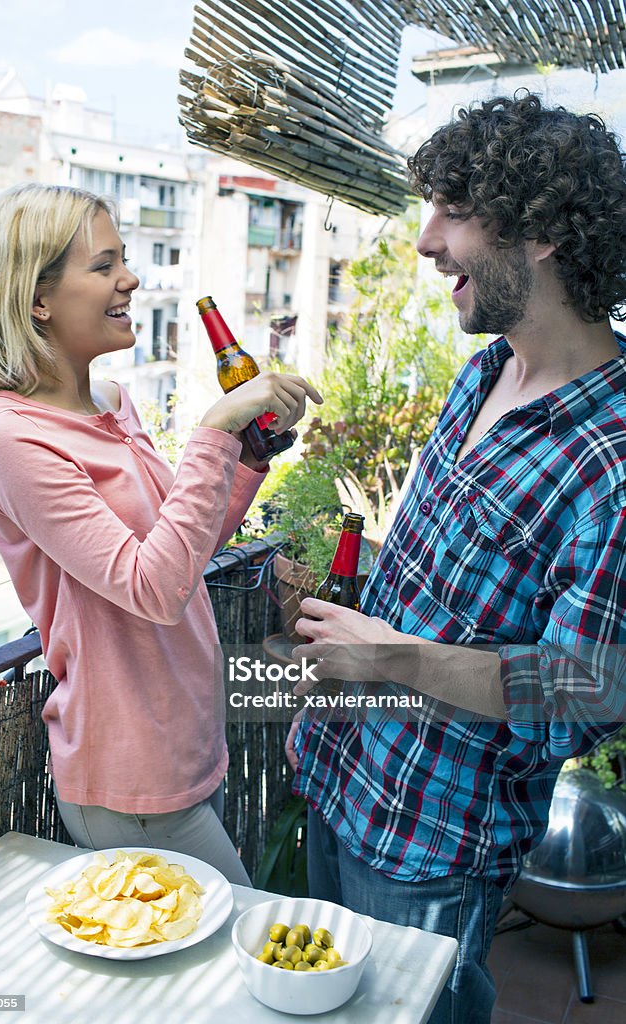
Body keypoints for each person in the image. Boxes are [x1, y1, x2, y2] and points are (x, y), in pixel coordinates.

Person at [287, 91, 626, 1023]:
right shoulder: (484, 371)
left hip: (431, 840)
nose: (426, 240)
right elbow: (437, 582)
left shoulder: (612, 456)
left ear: (545, 232)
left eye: (455, 211)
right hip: (337, 771)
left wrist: (383, 656)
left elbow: (582, 691)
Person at [0, 182, 322, 885]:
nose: (129, 278)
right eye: (103, 266)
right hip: (129, 773)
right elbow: (151, 590)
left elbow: (177, 556)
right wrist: (213, 429)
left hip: (181, 741)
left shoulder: (111, 402)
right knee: (220, 961)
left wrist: (244, 459)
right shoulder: (14, 438)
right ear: (37, 299)